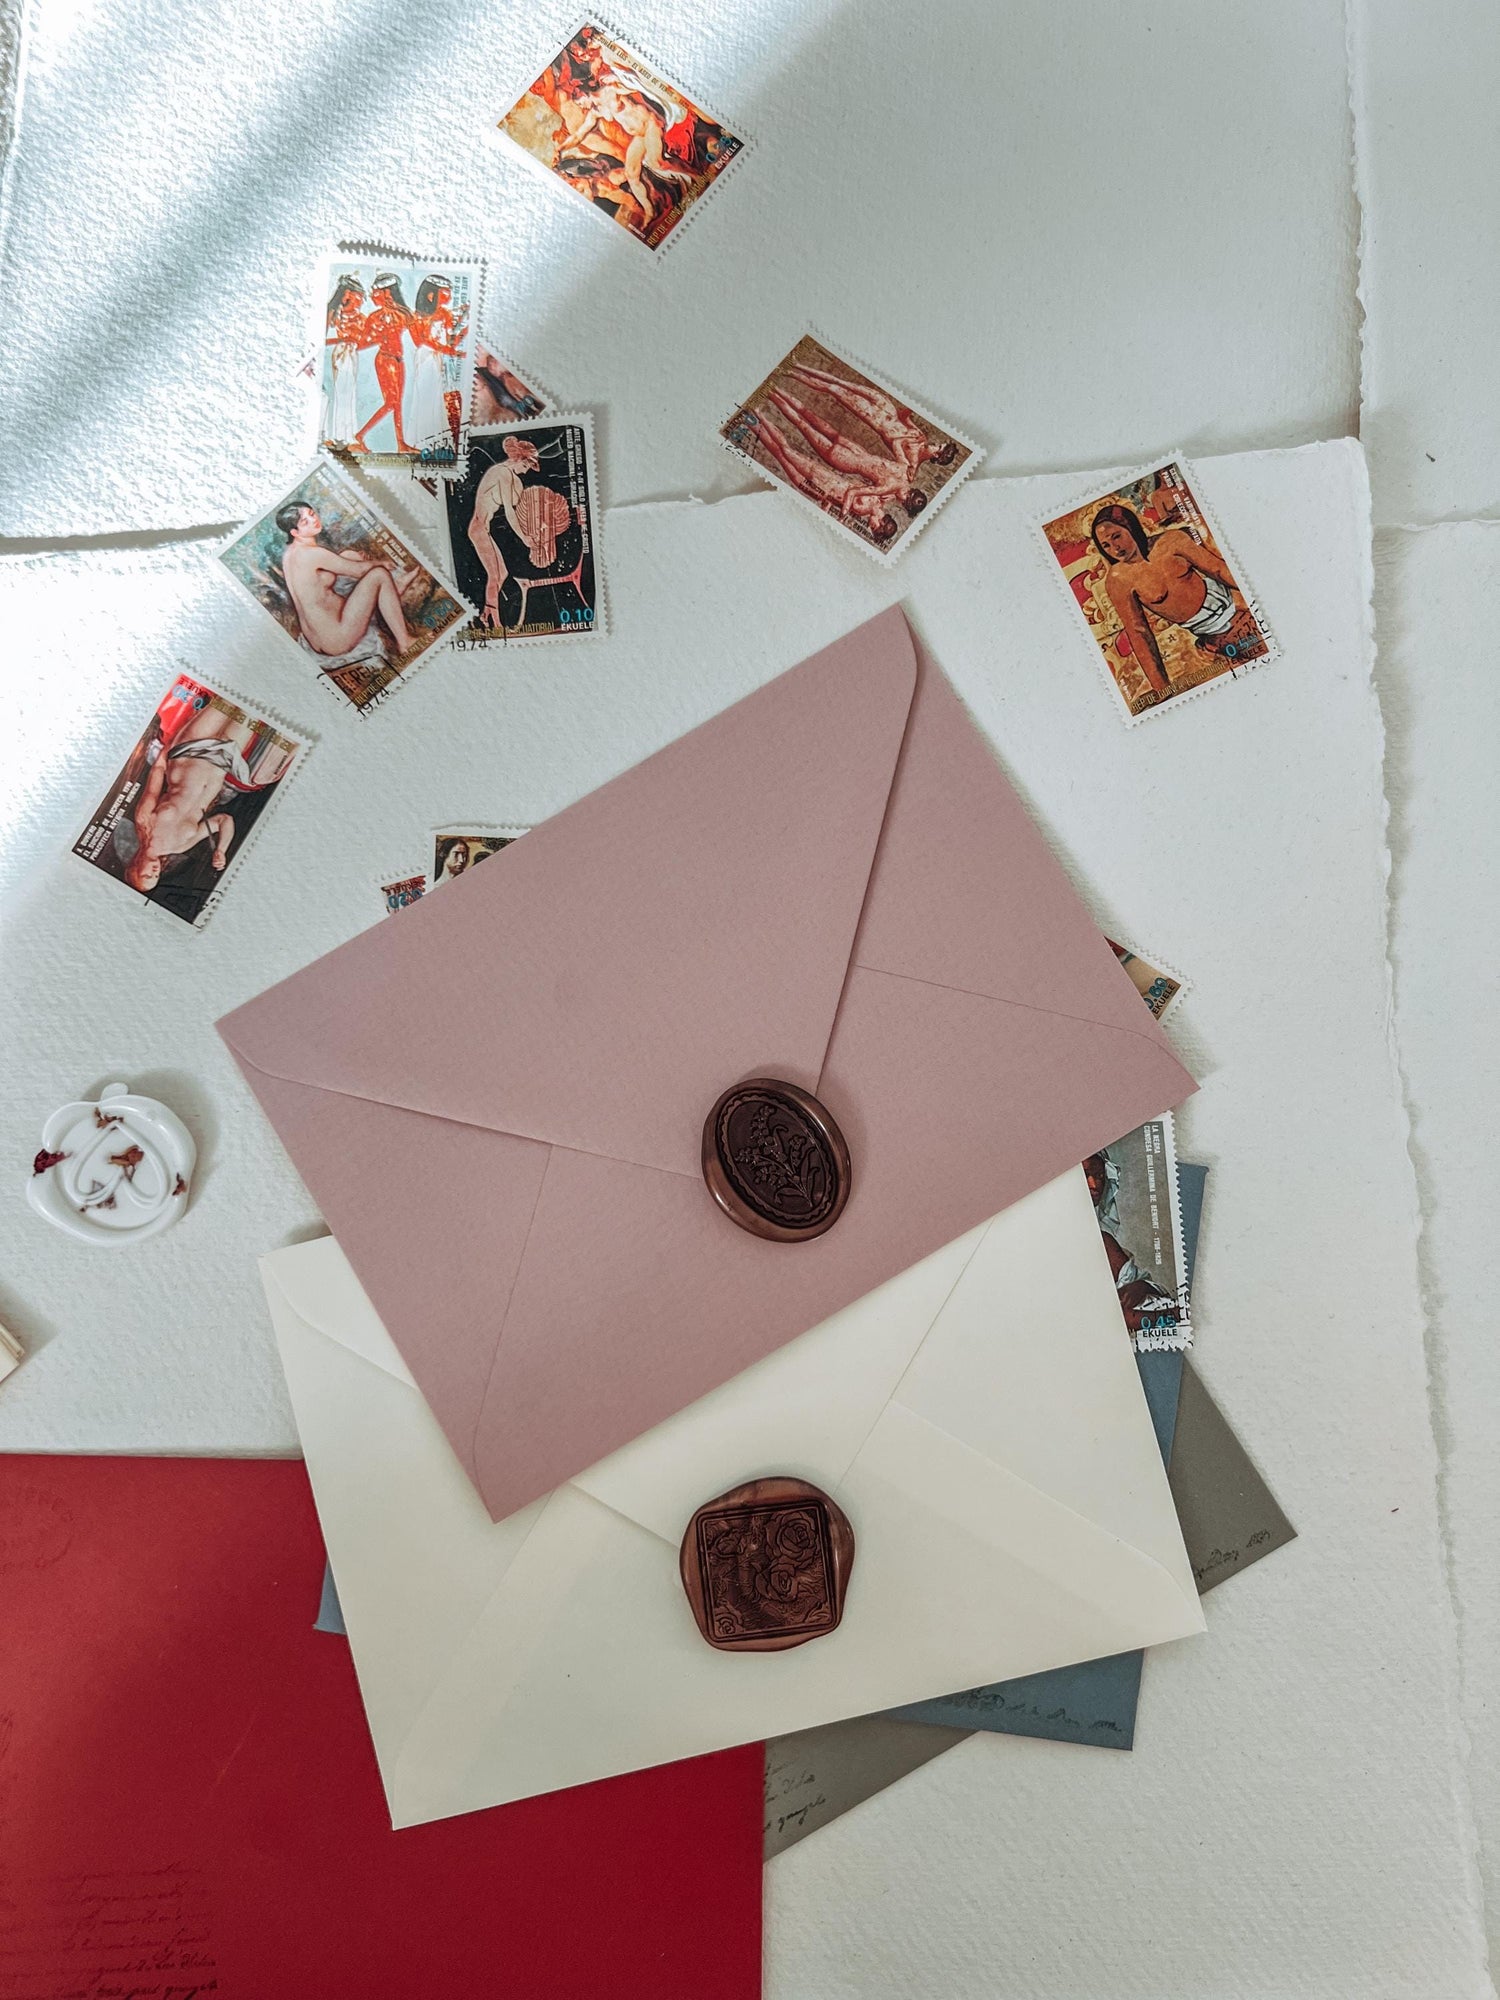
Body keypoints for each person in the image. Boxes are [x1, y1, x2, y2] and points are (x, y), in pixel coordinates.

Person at [1091, 501, 1266, 695]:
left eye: (1117, 536)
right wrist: (1162, 688)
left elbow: (1218, 569)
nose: (1115, 548)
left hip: (1238, 605)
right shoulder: (1117, 580)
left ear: (1130, 528)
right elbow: (1139, 632)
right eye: (1106, 545)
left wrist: (1260, 593)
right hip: (1213, 634)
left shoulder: (1171, 541)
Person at [115, 707, 291, 895]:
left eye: (147, 876)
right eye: (155, 877)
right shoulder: (180, 845)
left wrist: (170, 745)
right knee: (252, 711)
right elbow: (224, 820)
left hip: (187, 751)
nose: (154, 873)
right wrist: (221, 850)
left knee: (226, 702)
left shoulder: (144, 823)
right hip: (221, 759)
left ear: (135, 867)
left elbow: (157, 773)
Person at [276, 501, 415, 662]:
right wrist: (380, 563)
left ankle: (392, 591)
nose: (314, 520)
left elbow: (321, 575)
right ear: (295, 532)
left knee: (349, 555)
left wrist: (351, 558)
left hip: (316, 641)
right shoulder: (313, 554)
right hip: (337, 639)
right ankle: (404, 643)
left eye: (312, 514)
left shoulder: (289, 555)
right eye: (305, 522)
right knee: (379, 575)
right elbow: (359, 571)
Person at [741, 410, 899, 544]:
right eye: (873, 527)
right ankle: (759, 415)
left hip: (819, 488)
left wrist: (827, 508)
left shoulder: (868, 508)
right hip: (823, 478)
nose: (869, 526)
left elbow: (839, 499)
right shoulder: (876, 498)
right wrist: (841, 518)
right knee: (786, 451)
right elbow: (851, 492)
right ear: (882, 522)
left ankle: (751, 422)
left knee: (780, 454)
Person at [467, 436, 575, 630]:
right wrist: (525, 539)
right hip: (479, 529)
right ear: (519, 460)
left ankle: (485, 615)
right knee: (494, 575)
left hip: (484, 529)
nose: (526, 471)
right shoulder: (503, 474)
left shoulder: (508, 476)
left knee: (503, 573)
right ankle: (497, 625)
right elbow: (509, 511)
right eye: (527, 466)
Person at [764, 384, 923, 514]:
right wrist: (844, 512)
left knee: (809, 417)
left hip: (854, 449)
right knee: (803, 425)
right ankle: (773, 397)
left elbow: (896, 443)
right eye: (903, 502)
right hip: (845, 460)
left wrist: (907, 439)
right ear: (907, 497)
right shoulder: (887, 490)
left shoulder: (905, 471)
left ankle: (777, 390)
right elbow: (852, 493)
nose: (900, 501)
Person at [787, 360, 958, 474]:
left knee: (833, 389)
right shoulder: (922, 438)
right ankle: (797, 364)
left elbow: (892, 440)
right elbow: (904, 418)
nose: (934, 444)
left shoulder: (910, 463)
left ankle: (792, 374)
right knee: (842, 382)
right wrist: (910, 411)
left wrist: (903, 436)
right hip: (886, 408)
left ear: (936, 456)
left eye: (937, 447)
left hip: (874, 418)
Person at [403, 275, 466, 455]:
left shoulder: (445, 314)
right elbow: (423, 341)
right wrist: (450, 350)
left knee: (437, 396)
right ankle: (420, 440)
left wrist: (462, 333)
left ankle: (436, 439)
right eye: (446, 292)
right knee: (424, 394)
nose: (449, 296)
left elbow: (450, 341)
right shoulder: (416, 316)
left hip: (438, 358)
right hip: (425, 358)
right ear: (431, 294)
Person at [348, 274, 411, 455]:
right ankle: (360, 435)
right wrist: (377, 336)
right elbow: (363, 342)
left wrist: (398, 309)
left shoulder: (400, 313)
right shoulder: (374, 317)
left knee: (397, 404)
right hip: (386, 360)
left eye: (375, 292)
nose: (372, 296)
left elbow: (411, 322)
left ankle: (401, 444)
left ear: (386, 293)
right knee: (391, 402)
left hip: (399, 360)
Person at [323, 275, 365, 444]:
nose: (361, 302)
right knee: (339, 393)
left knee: (349, 393)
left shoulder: (360, 317)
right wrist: (343, 341)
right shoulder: (333, 314)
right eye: (359, 297)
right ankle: (336, 433)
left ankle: (348, 433)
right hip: (341, 354)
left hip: (352, 355)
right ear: (347, 294)